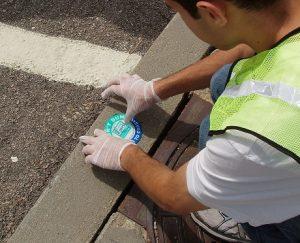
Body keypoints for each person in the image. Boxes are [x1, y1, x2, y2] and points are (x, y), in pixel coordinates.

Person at [79, 0, 300, 242]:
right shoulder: (282, 16)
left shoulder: (253, 139)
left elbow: (174, 195)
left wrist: (125, 154)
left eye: (175, 10)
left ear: (211, 13)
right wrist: (155, 89)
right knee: (223, 82)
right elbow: (245, 46)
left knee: (214, 140)